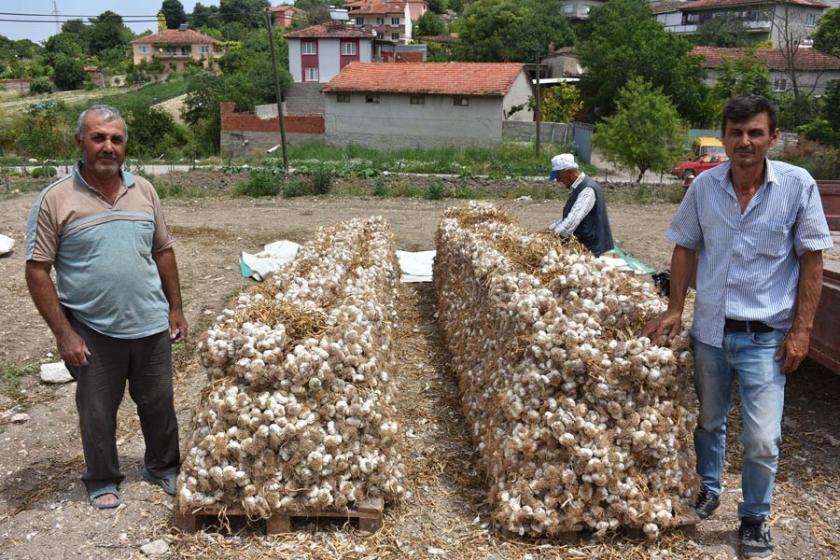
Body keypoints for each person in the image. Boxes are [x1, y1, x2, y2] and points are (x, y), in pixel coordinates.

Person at [642, 95, 833, 559]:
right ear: (724, 136)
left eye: (755, 133)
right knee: (708, 421)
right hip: (710, 331)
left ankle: (753, 516)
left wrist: (802, 331)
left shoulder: (796, 185)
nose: (744, 141)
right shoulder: (704, 188)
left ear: (772, 138)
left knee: (762, 438)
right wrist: (674, 308)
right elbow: (685, 247)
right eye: (736, 132)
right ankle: (708, 490)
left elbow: (811, 260)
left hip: (765, 337)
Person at [25, 105, 188, 509]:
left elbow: (163, 251)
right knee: (97, 411)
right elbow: (37, 271)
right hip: (92, 328)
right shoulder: (57, 199)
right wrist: (64, 333)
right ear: (79, 142)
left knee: (158, 404)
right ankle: (101, 478)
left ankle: (163, 467)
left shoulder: (144, 190)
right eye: (98, 138)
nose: (108, 147)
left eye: (116, 139)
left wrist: (176, 309)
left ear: (125, 145)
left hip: (150, 322)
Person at [545, 153, 615, 256]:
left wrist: (549, 238)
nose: (558, 180)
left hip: (593, 250)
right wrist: (547, 231)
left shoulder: (587, 189)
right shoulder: (578, 188)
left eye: (558, 176)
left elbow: (571, 222)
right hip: (585, 247)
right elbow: (567, 218)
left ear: (568, 172)